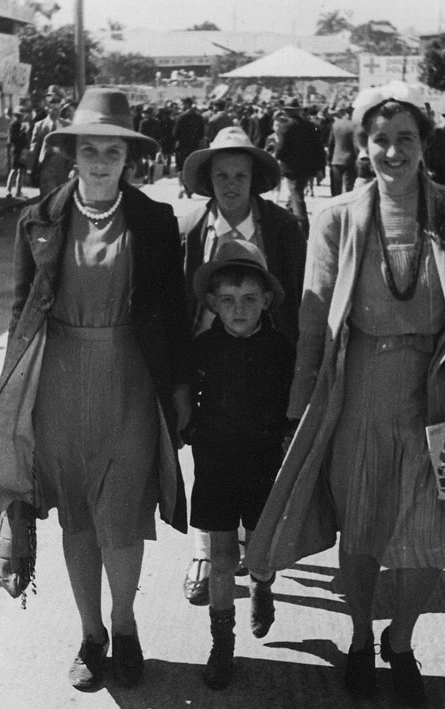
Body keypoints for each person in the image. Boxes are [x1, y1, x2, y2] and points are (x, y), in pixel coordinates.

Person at [247, 81, 445, 706]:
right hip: (358, 394)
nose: (393, 151)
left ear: (424, 144)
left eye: (406, 139)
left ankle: (400, 643)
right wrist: (300, 407)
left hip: (441, 392)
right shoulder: (336, 217)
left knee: (438, 528)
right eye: (381, 139)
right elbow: (312, 316)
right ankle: (357, 640)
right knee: (363, 528)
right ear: (362, 144)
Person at [0, 88, 191, 692]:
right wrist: (13, 400)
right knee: (77, 520)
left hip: (131, 384)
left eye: (111, 151)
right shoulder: (40, 220)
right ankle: (91, 636)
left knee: (122, 516)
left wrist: (181, 386)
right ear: (71, 154)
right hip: (59, 382)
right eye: (88, 149)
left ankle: (126, 624)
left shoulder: (155, 221)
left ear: (128, 158)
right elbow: (20, 316)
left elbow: (174, 309)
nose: (99, 161)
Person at [180, 126, 306, 605]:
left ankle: (259, 557)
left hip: (262, 353)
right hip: (208, 354)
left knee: (257, 461)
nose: (231, 184)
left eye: (240, 175)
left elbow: (296, 295)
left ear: (254, 179)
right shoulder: (194, 227)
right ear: (207, 180)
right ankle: (205, 554)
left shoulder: (280, 226)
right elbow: (178, 302)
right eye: (221, 175)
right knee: (208, 456)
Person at [184, 240, 295, 689]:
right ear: (212, 303)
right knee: (224, 556)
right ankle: (221, 645)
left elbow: (294, 407)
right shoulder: (203, 348)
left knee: (262, 552)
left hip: (264, 463)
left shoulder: (282, 350)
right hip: (216, 464)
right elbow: (187, 399)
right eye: (227, 301)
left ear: (266, 300)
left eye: (250, 299)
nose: (239, 309)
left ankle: (263, 586)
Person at [275, 99, 325, 237]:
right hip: (307, 167)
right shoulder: (310, 126)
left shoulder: (285, 127)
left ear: (287, 111)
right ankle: (290, 220)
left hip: (291, 167)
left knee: (297, 196)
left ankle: (303, 227)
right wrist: (320, 166)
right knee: (296, 194)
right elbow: (319, 147)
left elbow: (281, 149)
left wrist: (276, 157)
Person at [28, 84, 72, 198]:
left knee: (62, 199)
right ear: (47, 109)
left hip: (63, 168)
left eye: (57, 108)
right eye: (52, 107)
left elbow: (71, 146)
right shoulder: (39, 126)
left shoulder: (67, 125)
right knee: (48, 199)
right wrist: (31, 171)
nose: (54, 110)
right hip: (46, 168)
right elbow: (34, 148)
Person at [173, 97, 205, 198]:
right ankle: (190, 188)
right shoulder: (199, 116)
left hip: (182, 146)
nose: (182, 106)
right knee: (191, 167)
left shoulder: (181, 116)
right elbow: (202, 133)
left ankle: (183, 187)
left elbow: (175, 133)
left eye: (183, 104)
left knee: (181, 167)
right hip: (194, 146)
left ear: (187, 104)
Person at [327, 106, 357, 196]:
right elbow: (356, 145)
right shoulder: (355, 126)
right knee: (349, 187)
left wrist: (329, 158)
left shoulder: (336, 125)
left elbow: (331, 143)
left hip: (336, 160)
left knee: (336, 188)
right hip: (350, 160)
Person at [5, 110, 29, 199]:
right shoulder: (14, 125)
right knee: (14, 170)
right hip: (16, 150)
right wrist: (22, 132)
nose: (21, 118)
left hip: (22, 150)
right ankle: (8, 191)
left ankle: (18, 191)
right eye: (19, 116)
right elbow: (12, 139)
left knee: (21, 171)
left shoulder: (21, 124)